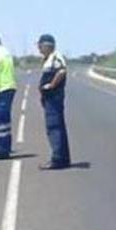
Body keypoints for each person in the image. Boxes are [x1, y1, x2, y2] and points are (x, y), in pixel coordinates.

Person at [37, 34, 71, 169]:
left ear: (47, 45)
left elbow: (62, 71)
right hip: (49, 98)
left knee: (54, 127)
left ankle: (57, 159)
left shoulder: (56, 57)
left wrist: (51, 85)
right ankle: (62, 158)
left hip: (54, 98)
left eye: (40, 45)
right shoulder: (49, 59)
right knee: (56, 127)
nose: (39, 48)